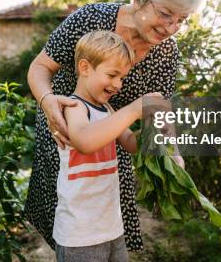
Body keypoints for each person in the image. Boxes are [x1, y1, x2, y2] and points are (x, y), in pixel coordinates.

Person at [25, 0, 206, 251]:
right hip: (64, 123)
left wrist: (171, 152)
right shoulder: (92, 19)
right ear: (139, 2)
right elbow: (39, 67)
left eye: (181, 20)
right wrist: (49, 104)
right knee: (69, 213)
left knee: (107, 212)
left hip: (113, 131)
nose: (171, 28)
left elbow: (158, 111)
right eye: (165, 14)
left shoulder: (166, 53)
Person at [55, 30, 159, 261]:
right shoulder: (74, 107)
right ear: (85, 68)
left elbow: (131, 143)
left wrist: (154, 128)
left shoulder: (108, 110)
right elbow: (85, 141)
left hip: (111, 226)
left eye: (122, 78)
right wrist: (133, 110)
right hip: (79, 233)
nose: (118, 85)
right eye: (112, 75)